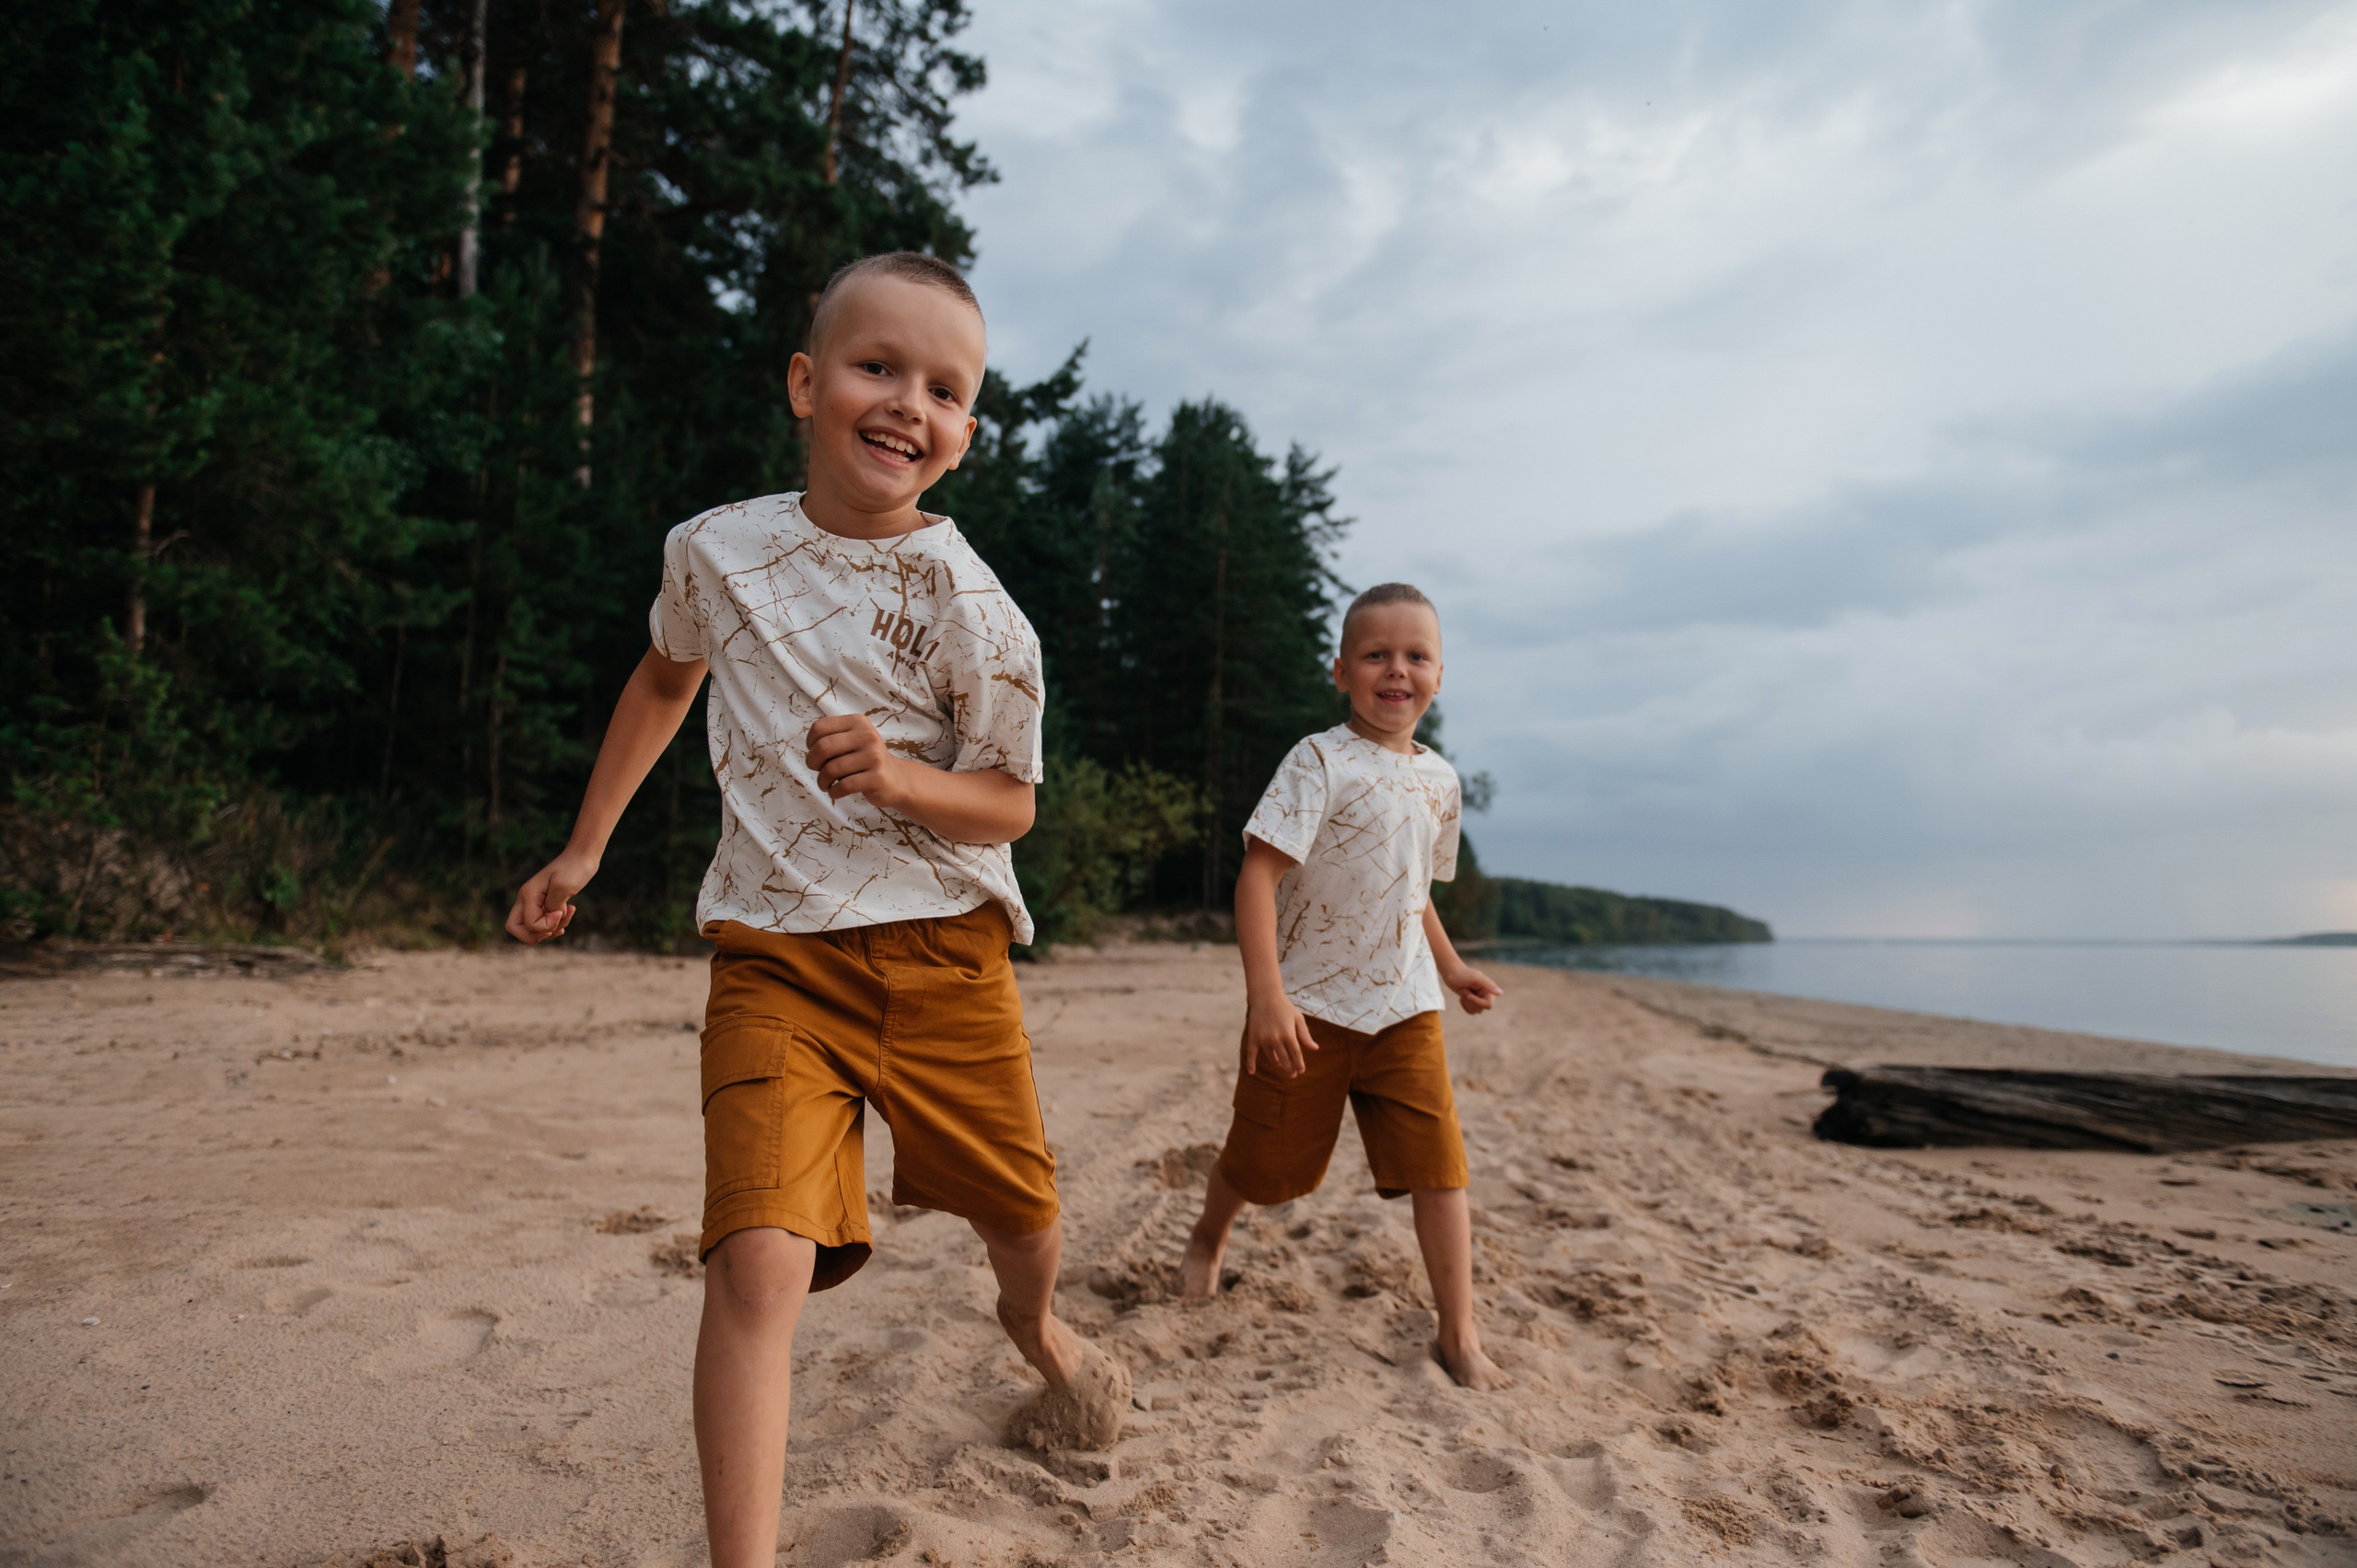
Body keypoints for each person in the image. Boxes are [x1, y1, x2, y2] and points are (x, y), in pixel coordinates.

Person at [504, 252, 1126, 1568]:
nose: (907, 401)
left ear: (963, 436)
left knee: (1024, 1219)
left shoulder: (981, 611)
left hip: (945, 958)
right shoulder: (717, 552)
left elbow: (1011, 802)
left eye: (943, 388)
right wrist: (584, 847)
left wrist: (902, 777)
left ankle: (1035, 1326)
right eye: (876, 366)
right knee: (754, 1261)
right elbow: (665, 682)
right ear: (806, 381)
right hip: (775, 957)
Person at [1177, 581, 1513, 1390]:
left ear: (1440, 673)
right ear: (1340, 671)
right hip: (1306, 1011)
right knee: (1262, 1165)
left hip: (1406, 1010)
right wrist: (1267, 995)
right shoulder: (1318, 760)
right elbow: (1257, 878)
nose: (1396, 670)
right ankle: (1208, 1235)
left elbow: (1413, 891)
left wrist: (1453, 964)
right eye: (1376, 654)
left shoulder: (1441, 782)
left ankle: (1459, 1334)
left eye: (1416, 655)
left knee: (1442, 1167)